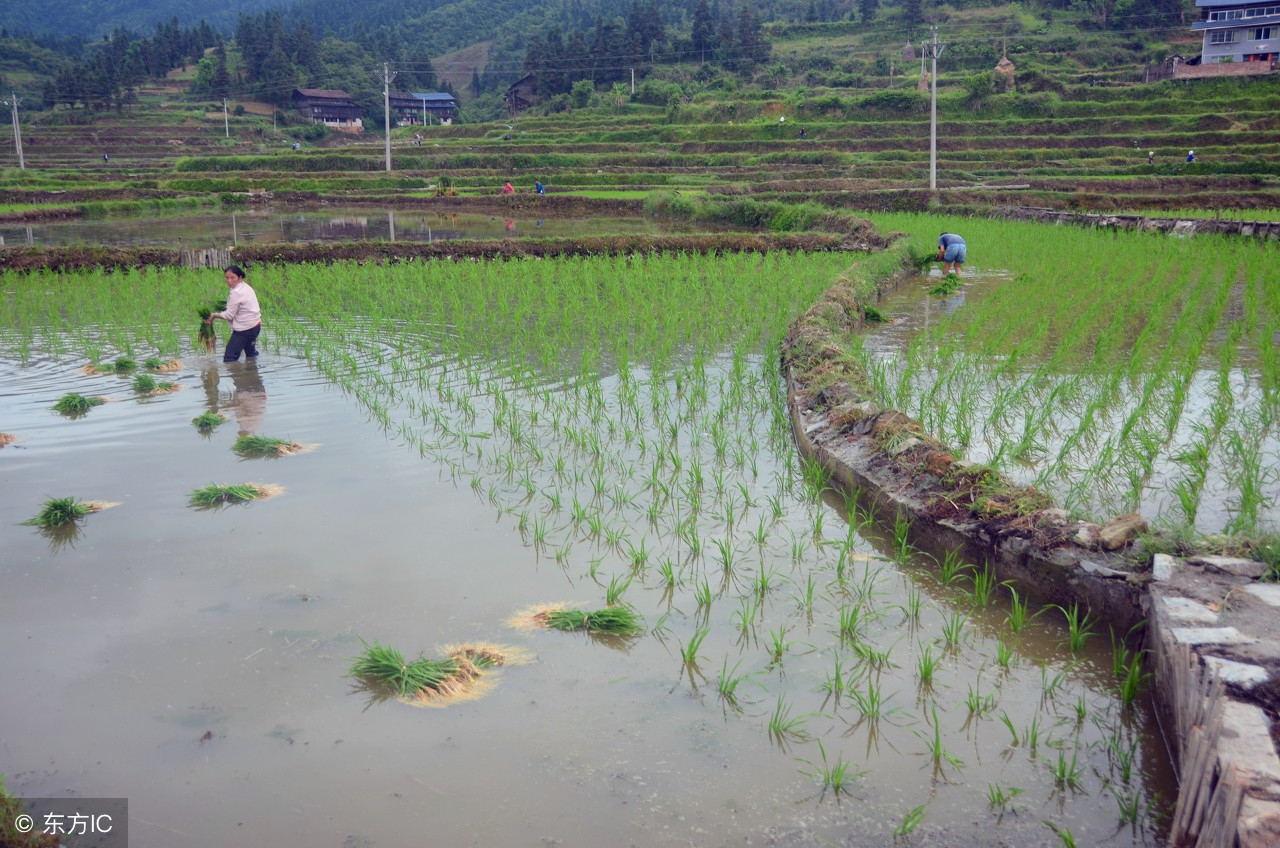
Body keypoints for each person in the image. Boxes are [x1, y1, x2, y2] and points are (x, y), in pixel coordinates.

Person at [205, 265, 262, 362]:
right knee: (251, 354)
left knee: (229, 358)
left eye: (232, 278)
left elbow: (229, 315)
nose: (229, 280)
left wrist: (214, 315)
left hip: (245, 329)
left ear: (240, 278)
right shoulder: (246, 287)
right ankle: (253, 374)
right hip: (255, 326)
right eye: (227, 277)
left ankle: (237, 375)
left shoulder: (236, 292)